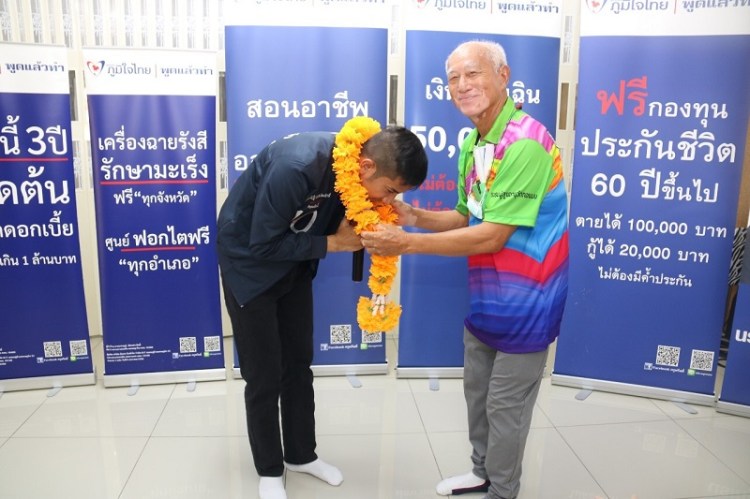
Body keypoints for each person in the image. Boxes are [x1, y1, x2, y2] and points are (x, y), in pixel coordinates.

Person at [361, 40, 569, 499]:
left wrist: (406, 243)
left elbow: (493, 235)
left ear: (503, 75)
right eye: (453, 78)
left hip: (528, 303)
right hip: (485, 297)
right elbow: (465, 216)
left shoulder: (525, 143)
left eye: (473, 73)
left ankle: (503, 490)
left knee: (505, 406)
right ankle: (481, 472)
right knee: (477, 394)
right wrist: (413, 217)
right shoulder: (474, 143)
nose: (461, 85)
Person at [216, 125, 428, 499]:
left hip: (294, 264)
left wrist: (371, 227)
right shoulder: (296, 166)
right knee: (263, 375)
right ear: (365, 167)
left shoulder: (354, 172)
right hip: (249, 266)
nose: (389, 199)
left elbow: (342, 218)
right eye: (390, 191)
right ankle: (270, 469)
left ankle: (301, 455)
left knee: (298, 364)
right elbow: (263, 244)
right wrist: (335, 243)